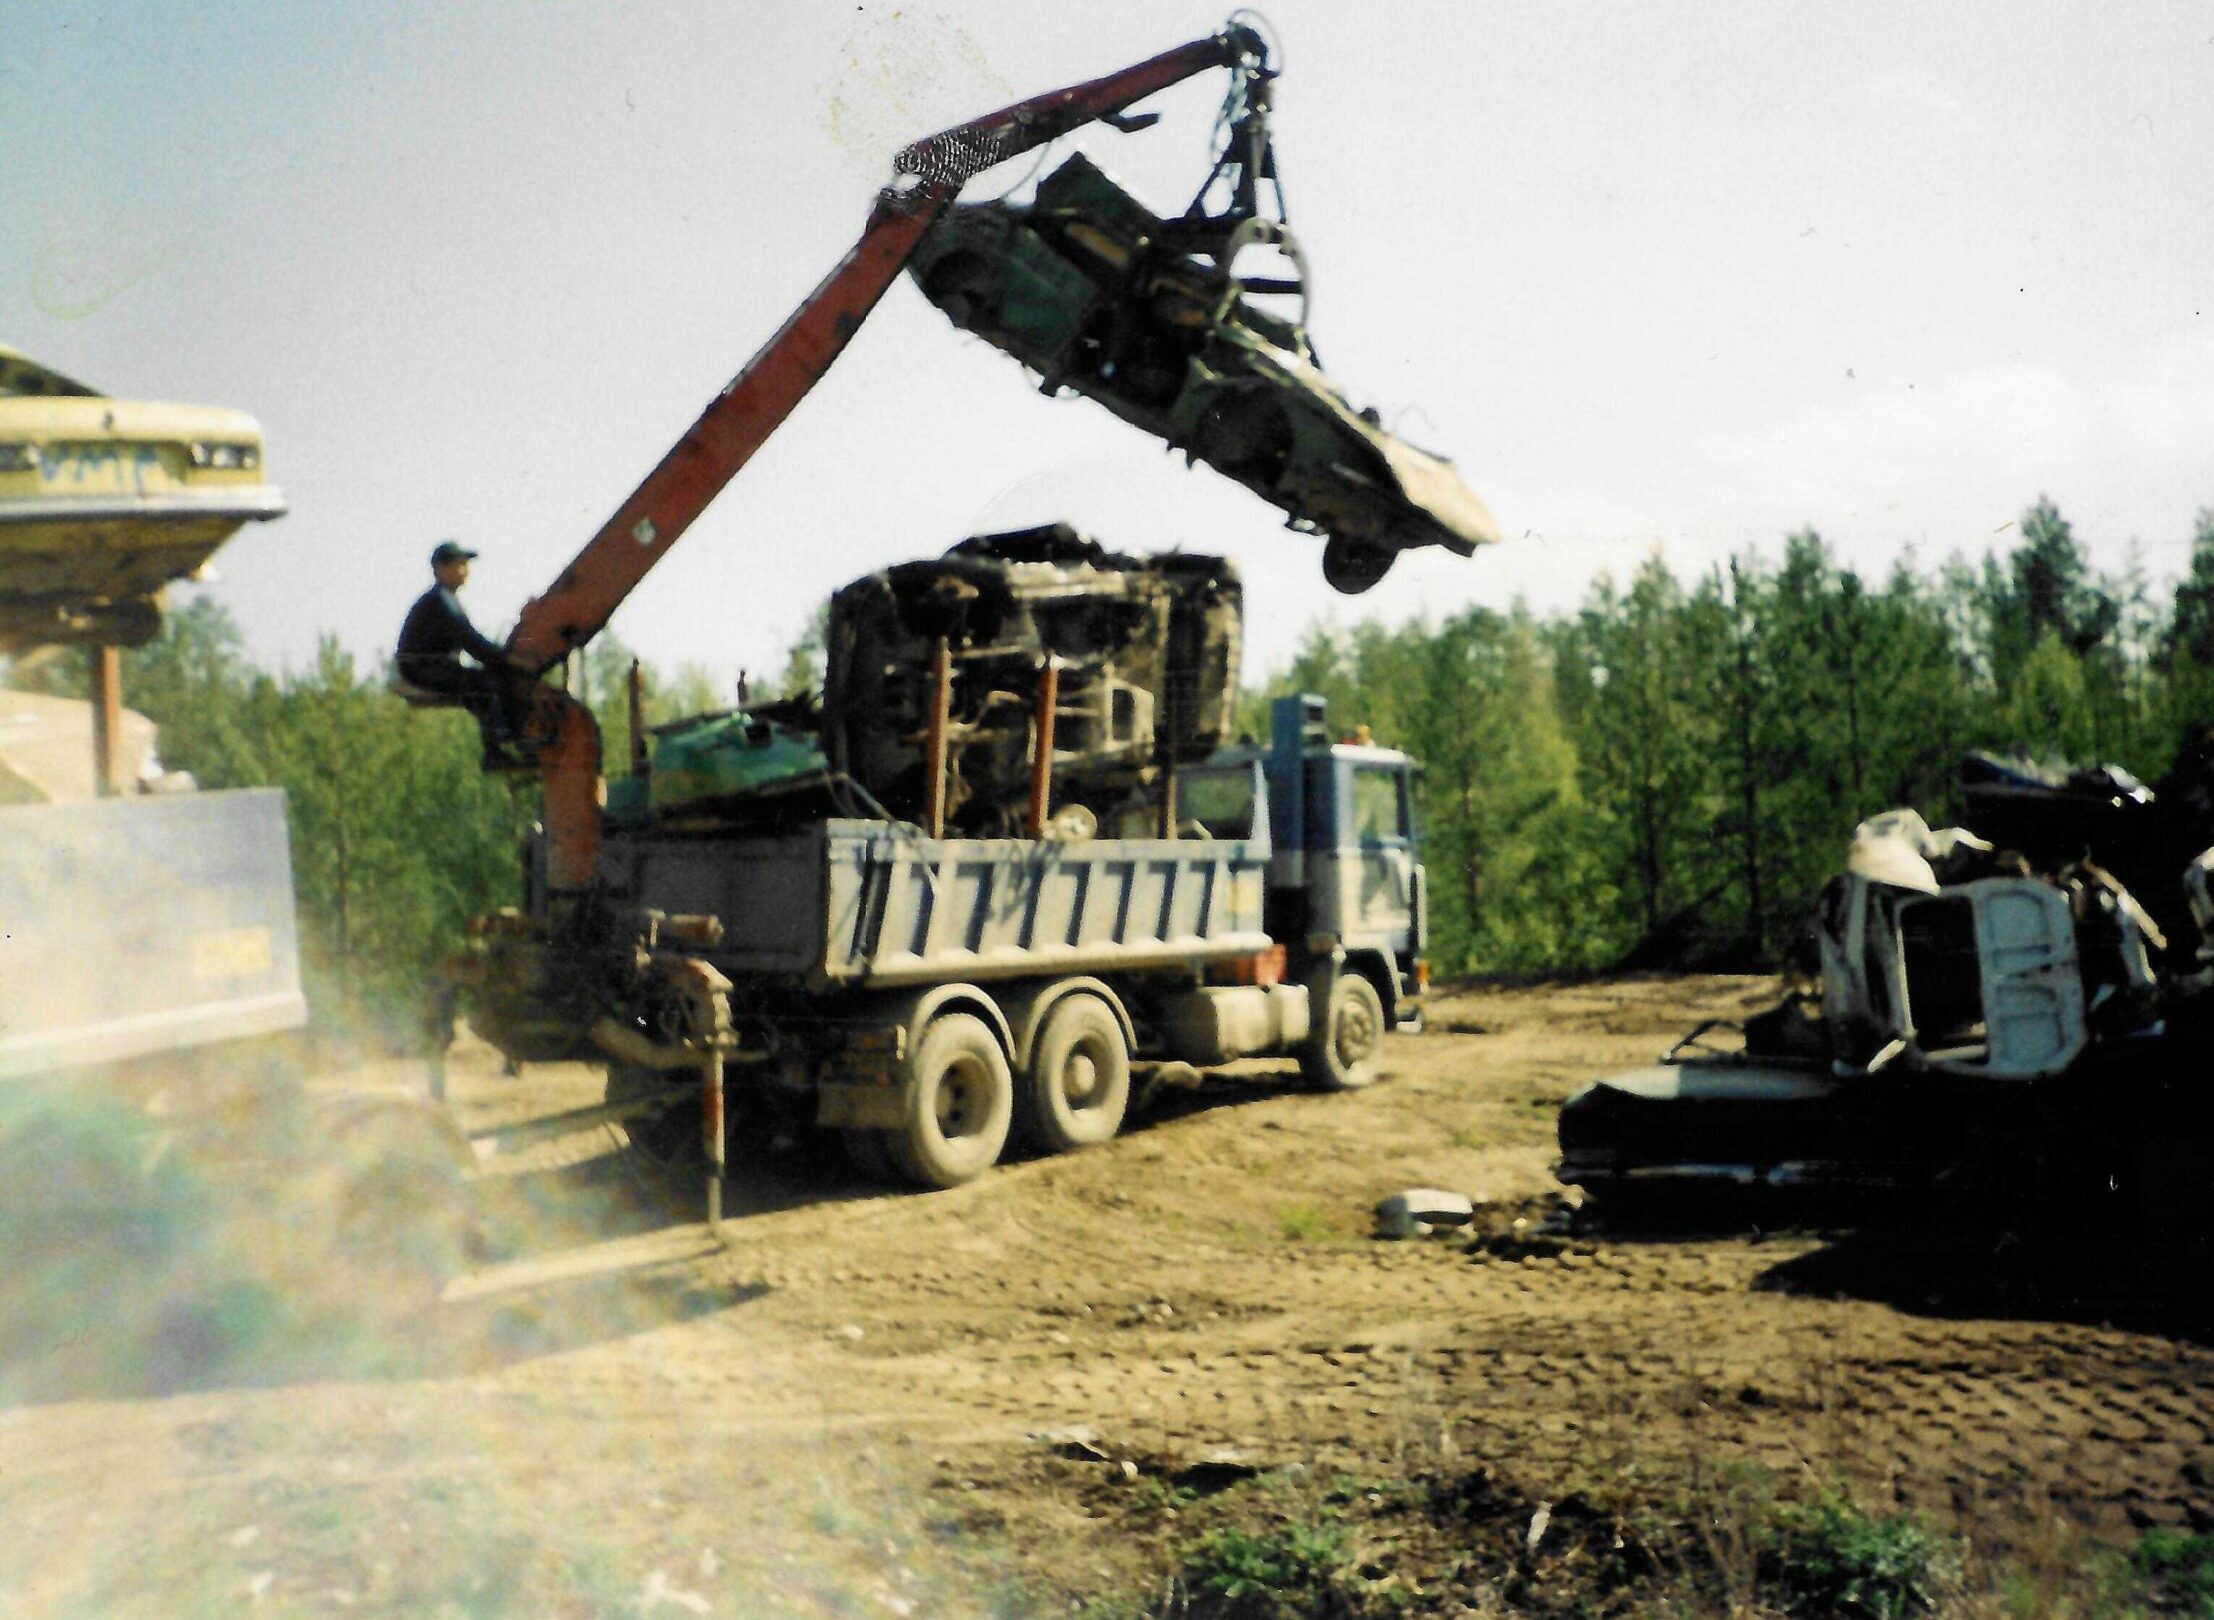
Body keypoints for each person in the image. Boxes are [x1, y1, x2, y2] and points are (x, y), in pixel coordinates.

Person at [396, 541, 518, 763]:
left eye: (465, 564)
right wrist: (507, 660)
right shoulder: (441, 601)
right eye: (459, 564)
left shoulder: (445, 599)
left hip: (431, 666)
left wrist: (500, 659)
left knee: (481, 684)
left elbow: (471, 641)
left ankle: (500, 744)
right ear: (441, 569)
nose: (466, 569)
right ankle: (497, 750)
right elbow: (471, 642)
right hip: (423, 669)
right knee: (484, 685)